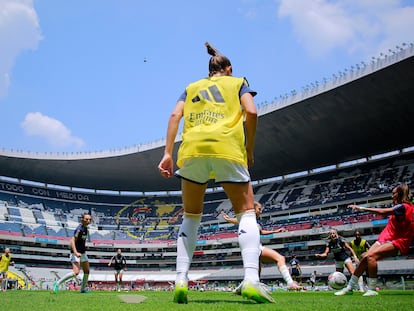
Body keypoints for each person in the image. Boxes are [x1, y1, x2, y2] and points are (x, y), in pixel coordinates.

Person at [158, 42, 273, 304]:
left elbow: (175, 114)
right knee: (245, 212)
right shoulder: (238, 82)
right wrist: (249, 148)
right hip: (227, 148)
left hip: (193, 149)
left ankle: (180, 279)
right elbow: (252, 112)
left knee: (191, 216)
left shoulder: (191, 87)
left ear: (210, 71)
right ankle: (252, 280)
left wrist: (167, 153)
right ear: (229, 69)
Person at [335, 183, 414, 297]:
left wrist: (360, 208)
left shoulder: (403, 207)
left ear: (400, 194)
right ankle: (349, 288)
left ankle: (372, 289)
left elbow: (382, 212)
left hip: (398, 241)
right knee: (365, 258)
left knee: (371, 257)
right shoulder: (403, 207)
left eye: (394, 193)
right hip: (385, 238)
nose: (392, 196)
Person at [222, 202, 301, 291]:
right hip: (255, 248)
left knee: (255, 275)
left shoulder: (254, 222)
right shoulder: (247, 219)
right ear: (253, 210)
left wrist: (275, 231)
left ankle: (244, 289)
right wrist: (229, 220)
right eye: (259, 209)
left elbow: (261, 232)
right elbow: (239, 220)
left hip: (252, 249)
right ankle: (290, 283)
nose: (261, 211)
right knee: (280, 258)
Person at [53, 213, 92, 294]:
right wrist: (75, 252)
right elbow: (72, 240)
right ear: (82, 219)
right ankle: (57, 283)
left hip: (82, 253)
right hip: (76, 253)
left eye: (89, 219)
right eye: (87, 219)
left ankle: (83, 289)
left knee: (87, 271)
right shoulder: (79, 229)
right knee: (76, 272)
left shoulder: (86, 229)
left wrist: (84, 248)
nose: (88, 221)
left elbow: (81, 242)